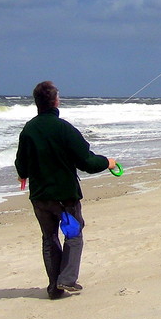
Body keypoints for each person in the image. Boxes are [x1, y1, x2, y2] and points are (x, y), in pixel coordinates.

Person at [15, 81, 117, 299]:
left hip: (41, 198)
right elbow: (87, 162)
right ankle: (66, 280)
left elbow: (21, 164)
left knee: (49, 237)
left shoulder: (29, 129)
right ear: (55, 101)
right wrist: (107, 162)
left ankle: (55, 287)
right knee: (72, 234)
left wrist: (23, 174)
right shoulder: (63, 128)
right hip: (64, 198)